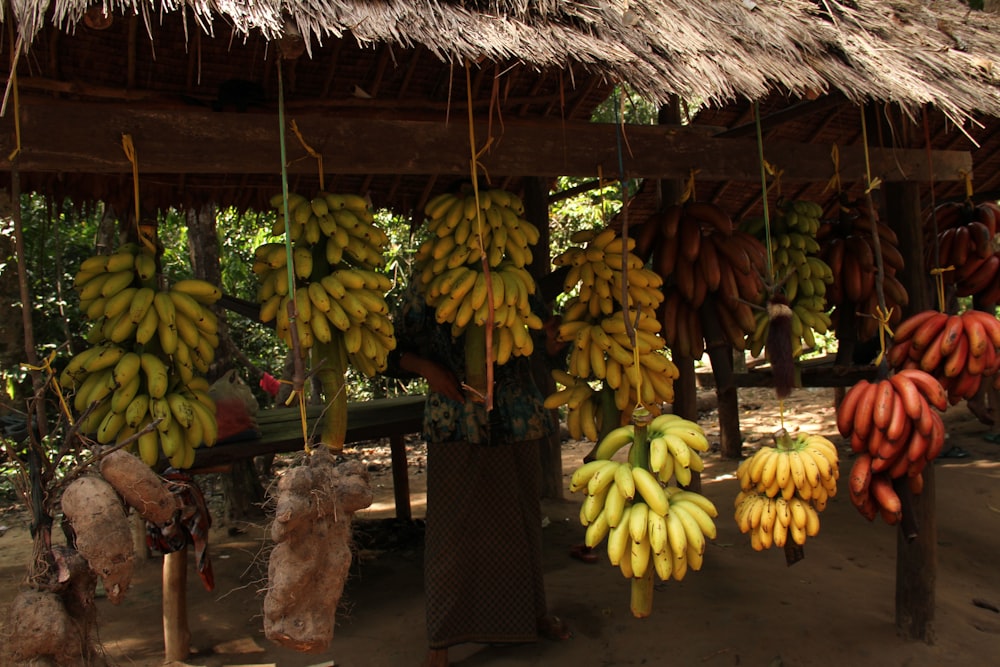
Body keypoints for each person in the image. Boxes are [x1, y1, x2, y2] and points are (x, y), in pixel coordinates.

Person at [384, 278, 571, 667]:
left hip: (516, 416)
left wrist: (554, 345)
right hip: (455, 419)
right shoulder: (429, 282)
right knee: (452, 533)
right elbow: (389, 349)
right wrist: (428, 369)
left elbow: (540, 347)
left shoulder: (515, 277)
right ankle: (443, 638)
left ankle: (533, 616)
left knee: (521, 524)